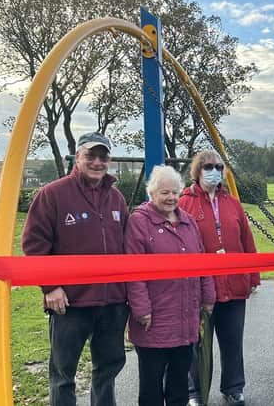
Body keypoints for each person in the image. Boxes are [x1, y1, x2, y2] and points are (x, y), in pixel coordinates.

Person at [22, 131, 130, 406]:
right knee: (63, 374)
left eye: (103, 157)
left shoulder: (116, 198)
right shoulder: (53, 194)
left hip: (112, 302)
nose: (97, 162)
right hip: (69, 302)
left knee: (107, 371)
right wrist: (50, 287)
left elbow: (129, 246)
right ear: (77, 158)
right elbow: (34, 245)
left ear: (110, 161)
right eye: (90, 156)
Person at [125, 165, 216, 406]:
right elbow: (133, 269)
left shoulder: (188, 222)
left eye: (175, 192)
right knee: (151, 385)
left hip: (186, 316)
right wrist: (141, 309)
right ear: (152, 193)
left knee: (179, 383)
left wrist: (209, 296)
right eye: (164, 192)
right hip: (155, 317)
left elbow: (202, 261)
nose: (171, 198)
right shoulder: (139, 222)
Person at [179, 150, 260, 406]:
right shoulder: (185, 203)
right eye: (208, 166)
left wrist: (253, 276)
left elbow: (247, 240)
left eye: (218, 166)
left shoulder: (232, 203)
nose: (214, 170)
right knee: (198, 343)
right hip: (200, 288)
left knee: (232, 341)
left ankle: (233, 387)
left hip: (233, 284)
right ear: (197, 171)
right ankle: (195, 392)